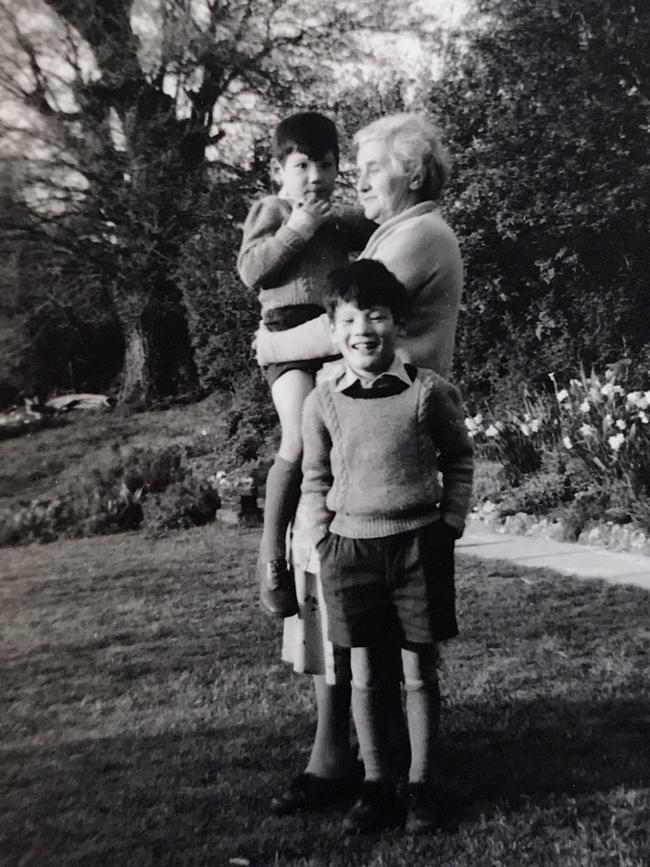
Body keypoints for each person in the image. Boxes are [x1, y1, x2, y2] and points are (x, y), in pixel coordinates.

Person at [264, 114, 465, 819]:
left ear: (410, 172)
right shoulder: (396, 229)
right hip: (355, 428)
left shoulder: (418, 236)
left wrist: (271, 341)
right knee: (337, 608)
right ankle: (344, 756)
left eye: (370, 167)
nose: (357, 179)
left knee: (360, 619)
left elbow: (346, 318)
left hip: (386, 440)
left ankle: (358, 765)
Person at [300, 260, 473, 833]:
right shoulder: (323, 400)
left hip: (419, 547)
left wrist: (448, 522)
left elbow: (459, 459)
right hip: (350, 551)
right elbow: (315, 478)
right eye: (349, 318)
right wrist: (320, 538)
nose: (363, 329)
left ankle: (422, 785)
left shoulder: (426, 392)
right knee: (366, 673)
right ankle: (377, 784)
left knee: (419, 671)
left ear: (398, 323)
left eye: (376, 315)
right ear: (333, 329)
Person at [237, 112, 375, 618]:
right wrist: (299, 225)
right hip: (286, 335)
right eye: (301, 165)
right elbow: (251, 270)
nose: (314, 176)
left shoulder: (338, 220)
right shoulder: (273, 209)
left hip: (333, 336)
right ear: (280, 170)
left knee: (338, 438)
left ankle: (330, 545)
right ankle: (270, 555)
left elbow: (379, 226)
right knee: (296, 435)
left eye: (325, 164)